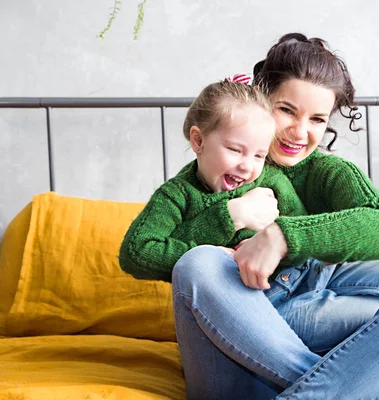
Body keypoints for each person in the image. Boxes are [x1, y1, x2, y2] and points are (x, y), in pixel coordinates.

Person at [131, 33, 379, 399]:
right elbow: (143, 252)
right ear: (257, 101)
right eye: (286, 110)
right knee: (199, 261)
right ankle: (347, 389)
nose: (298, 131)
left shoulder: (323, 171)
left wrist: (283, 235)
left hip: (306, 303)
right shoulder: (192, 185)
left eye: (318, 119)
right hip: (236, 337)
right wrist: (230, 216)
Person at [119, 78, 308, 282]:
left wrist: (272, 248)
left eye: (259, 156)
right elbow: (136, 252)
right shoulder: (176, 195)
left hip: (294, 285)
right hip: (231, 297)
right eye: (235, 150)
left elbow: (305, 235)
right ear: (198, 140)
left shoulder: (272, 180)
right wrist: (230, 218)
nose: (247, 166)